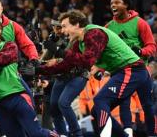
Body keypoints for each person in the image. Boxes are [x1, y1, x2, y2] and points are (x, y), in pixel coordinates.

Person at [20, 10, 156, 137]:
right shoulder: (79, 43)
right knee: (100, 111)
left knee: (100, 101)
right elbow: (66, 64)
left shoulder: (94, 33)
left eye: (65, 26)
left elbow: (87, 61)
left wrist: (58, 50)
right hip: (133, 70)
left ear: (77, 24)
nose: (63, 30)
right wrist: (39, 70)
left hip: (130, 69)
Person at [106, 0, 157, 137]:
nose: (113, 6)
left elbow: (152, 47)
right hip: (120, 70)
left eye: (117, 3)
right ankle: (127, 133)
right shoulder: (109, 27)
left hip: (140, 70)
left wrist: (140, 52)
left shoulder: (140, 23)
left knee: (147, 105)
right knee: (123, 102)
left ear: (126, 5)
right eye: (111, 3)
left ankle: (152, 134)